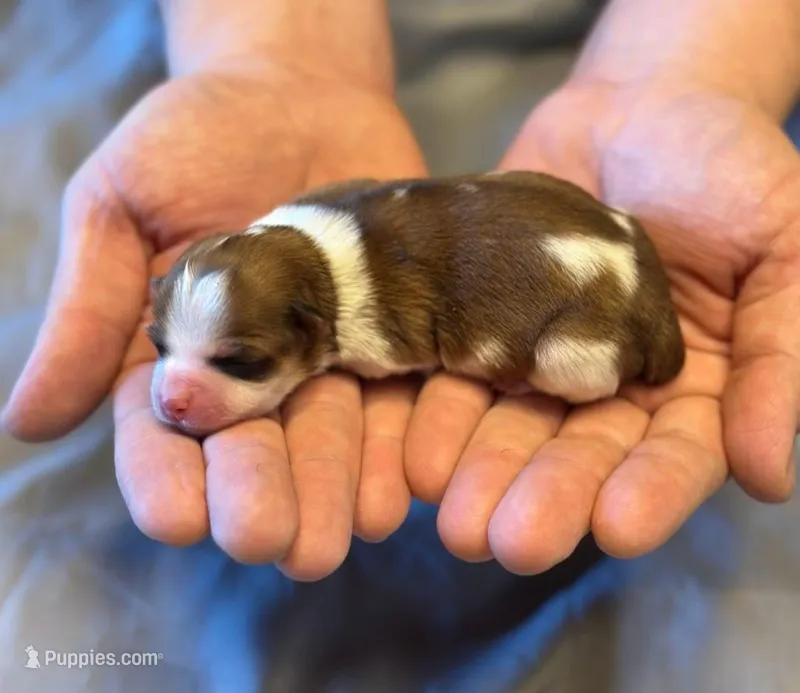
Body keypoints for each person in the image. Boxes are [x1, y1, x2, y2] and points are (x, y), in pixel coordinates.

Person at [2, 0, 798, 586]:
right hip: (579, 239)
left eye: (238, 362)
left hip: (592, 311)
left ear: (317, 333)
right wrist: (269, 56)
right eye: (164, 345)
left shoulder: (357, 309)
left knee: (571, 360)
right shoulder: (302, 227)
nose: (175, 392)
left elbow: (398, 341)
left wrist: (703, 67)